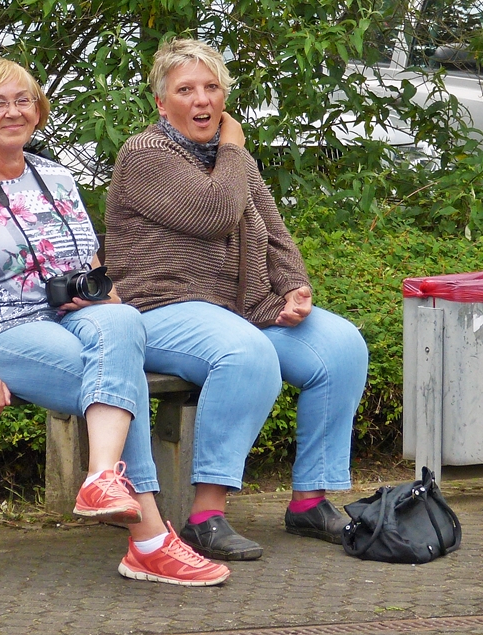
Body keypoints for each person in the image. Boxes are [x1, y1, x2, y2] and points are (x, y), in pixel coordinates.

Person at [0, 57, 228, 586]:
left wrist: (111, 307)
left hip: (65, 318)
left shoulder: (54, 175)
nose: (14, 112)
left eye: (24, 100)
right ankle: (149, 540)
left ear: (39, 110)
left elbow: (92, 264)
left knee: (123, 324)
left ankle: (103, 479)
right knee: (121, 385)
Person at [105, 38, 369, 562]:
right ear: (161, 103)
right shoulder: (144, 154)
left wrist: (294, 286)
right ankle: (206, 515)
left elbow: (273, 228)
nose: (202, 101)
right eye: (185, 90)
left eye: (212, 88)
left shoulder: (232, 159)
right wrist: (234, 147)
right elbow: (215, 213)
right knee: (247, 353)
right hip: (157, 307)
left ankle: (310, 500)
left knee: (340, 347)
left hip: (236, 306)